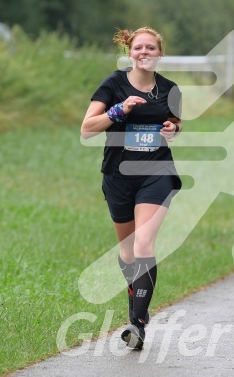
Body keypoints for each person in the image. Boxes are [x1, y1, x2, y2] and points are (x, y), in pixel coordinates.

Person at [80, 26, 182, 349]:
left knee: (143, 244)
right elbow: (86, 129)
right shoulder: (113, 84)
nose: (144, 53)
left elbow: (177, 123)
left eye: (151, 48)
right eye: (139, 48)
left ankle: (137, 321)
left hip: (157, 172)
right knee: (126, 253)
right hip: (118, 175)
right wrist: (118, 110)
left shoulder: (170, 89)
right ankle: (136, 302)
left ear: (159, 54)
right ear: (130, 52)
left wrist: (172, 128)